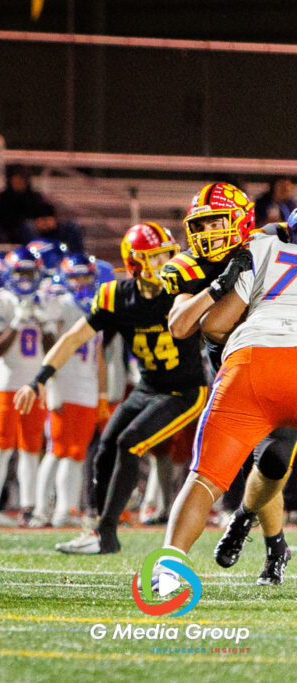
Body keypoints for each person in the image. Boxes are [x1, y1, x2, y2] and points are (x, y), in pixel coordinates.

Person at [16, 222, 207, 555]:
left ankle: (106, 532)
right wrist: (39, 379)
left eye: (167, 256)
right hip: (148, 386)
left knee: (128, 443)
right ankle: (102, 531)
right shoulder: (116, 297)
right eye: (156, 258)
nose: (167, 264)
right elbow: (74, 337)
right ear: (134, 262)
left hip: (184, 390)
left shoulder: (185, 287)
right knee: (105, 448)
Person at [159, 183, 294, 585]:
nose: (207, 232)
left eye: (215, 221)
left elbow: (217, 325)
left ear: (240, 220)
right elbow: (181, 326)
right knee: (233, 464)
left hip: (255, 360)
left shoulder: (264, 244)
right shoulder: (191, 265)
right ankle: (270, 542)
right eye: (199, 224)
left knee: (273, 461)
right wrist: (216, 288)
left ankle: (256, 528)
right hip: (233, 369)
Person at [0, 246, 54, 527]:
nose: (24, 277)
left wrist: (45, 324)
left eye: (29, 272)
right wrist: (17, 322)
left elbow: (52, 351)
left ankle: (28, 506)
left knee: (32, 448)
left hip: (35, 385)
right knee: (0, 446)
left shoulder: (44, 300)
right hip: (7, 385)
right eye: (19, 272)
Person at [31, 253, 106, 528]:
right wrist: (49, 384)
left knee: (77, 453)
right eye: (75, 276)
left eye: (85, 275)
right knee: (56, 450)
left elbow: (98, 356)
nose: (81, 281)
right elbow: (49, 345)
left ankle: (65, 509)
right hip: (63, 383)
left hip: (86, 387)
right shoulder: (60, 304)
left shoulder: (96, 307)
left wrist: (101, 395)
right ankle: (41, 509)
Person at [0, 165, 45, 245]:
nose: (19, 181)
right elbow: (0, 219)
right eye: (16, 178)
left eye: (22, 179)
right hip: (11, 231)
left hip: (36, 229)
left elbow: (41, 214)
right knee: (27, 226)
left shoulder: (35, 197)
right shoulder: (1, 198)